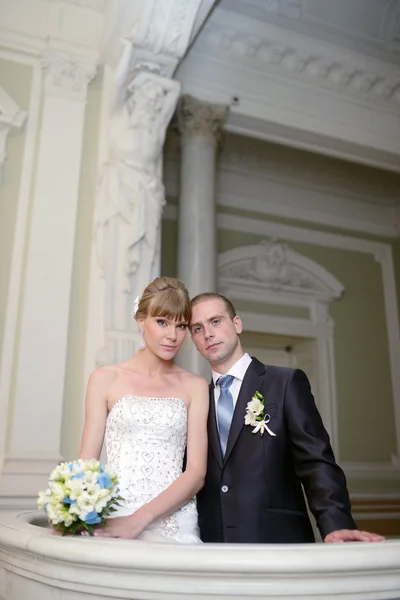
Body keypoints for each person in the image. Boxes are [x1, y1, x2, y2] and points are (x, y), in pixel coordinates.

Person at [189, 292, 384, 544]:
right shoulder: (196, 401)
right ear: (193, 339)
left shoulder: (284, 382)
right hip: (212, 547)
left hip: (278, 542)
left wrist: (335, 524)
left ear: (237, 324)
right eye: (197, 328)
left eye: (216, 321)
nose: (208, 333)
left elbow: (316, 462)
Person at [79, 277, 208, 542]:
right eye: (162, 322)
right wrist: (71, 511)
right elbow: (86, 464)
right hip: (114, 513)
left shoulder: (195, 386)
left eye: (181, 326)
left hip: (175, 521)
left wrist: (140, 519)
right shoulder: (105, 378)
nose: (172, 336)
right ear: (140, 320)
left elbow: (196, 473)